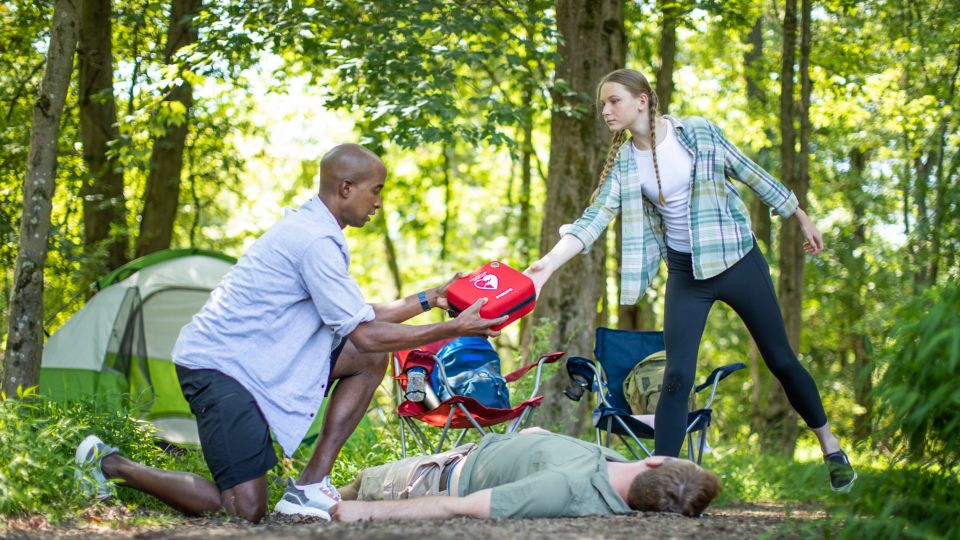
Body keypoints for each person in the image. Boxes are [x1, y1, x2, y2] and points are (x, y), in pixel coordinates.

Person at [74, 143, 508, 523]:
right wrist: (453, 326)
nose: (379, 202)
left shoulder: (317, 232)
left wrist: (432, 296)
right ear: (345, 189)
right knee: (245, 509)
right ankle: (111, 463)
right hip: (220, 368)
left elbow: (360, 317)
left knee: (368, 361)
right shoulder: (314, 241)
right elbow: (366, 334)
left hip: (260, 361)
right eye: (375, 190)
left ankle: (309, 486)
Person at [523, 69, 857, 492]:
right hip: (686, 274)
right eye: (603, 103)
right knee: (677, 375)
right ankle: (666, 482)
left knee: (781, 360)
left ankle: (830, 447)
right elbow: (594, 220)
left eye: (614, 101)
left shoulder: (697, 134)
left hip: (738, 260)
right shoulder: (625, 162)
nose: (605, 110)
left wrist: (798, 214)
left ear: (642, 100)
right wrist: (547, 267)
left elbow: (749, 171)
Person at [330, 427, 721, 521]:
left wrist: (366, 512)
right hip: (471, 452)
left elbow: (457, 507)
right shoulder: (619, 467)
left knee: (356, 485)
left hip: (434, 477)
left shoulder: (565, 488)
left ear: (656, 460)